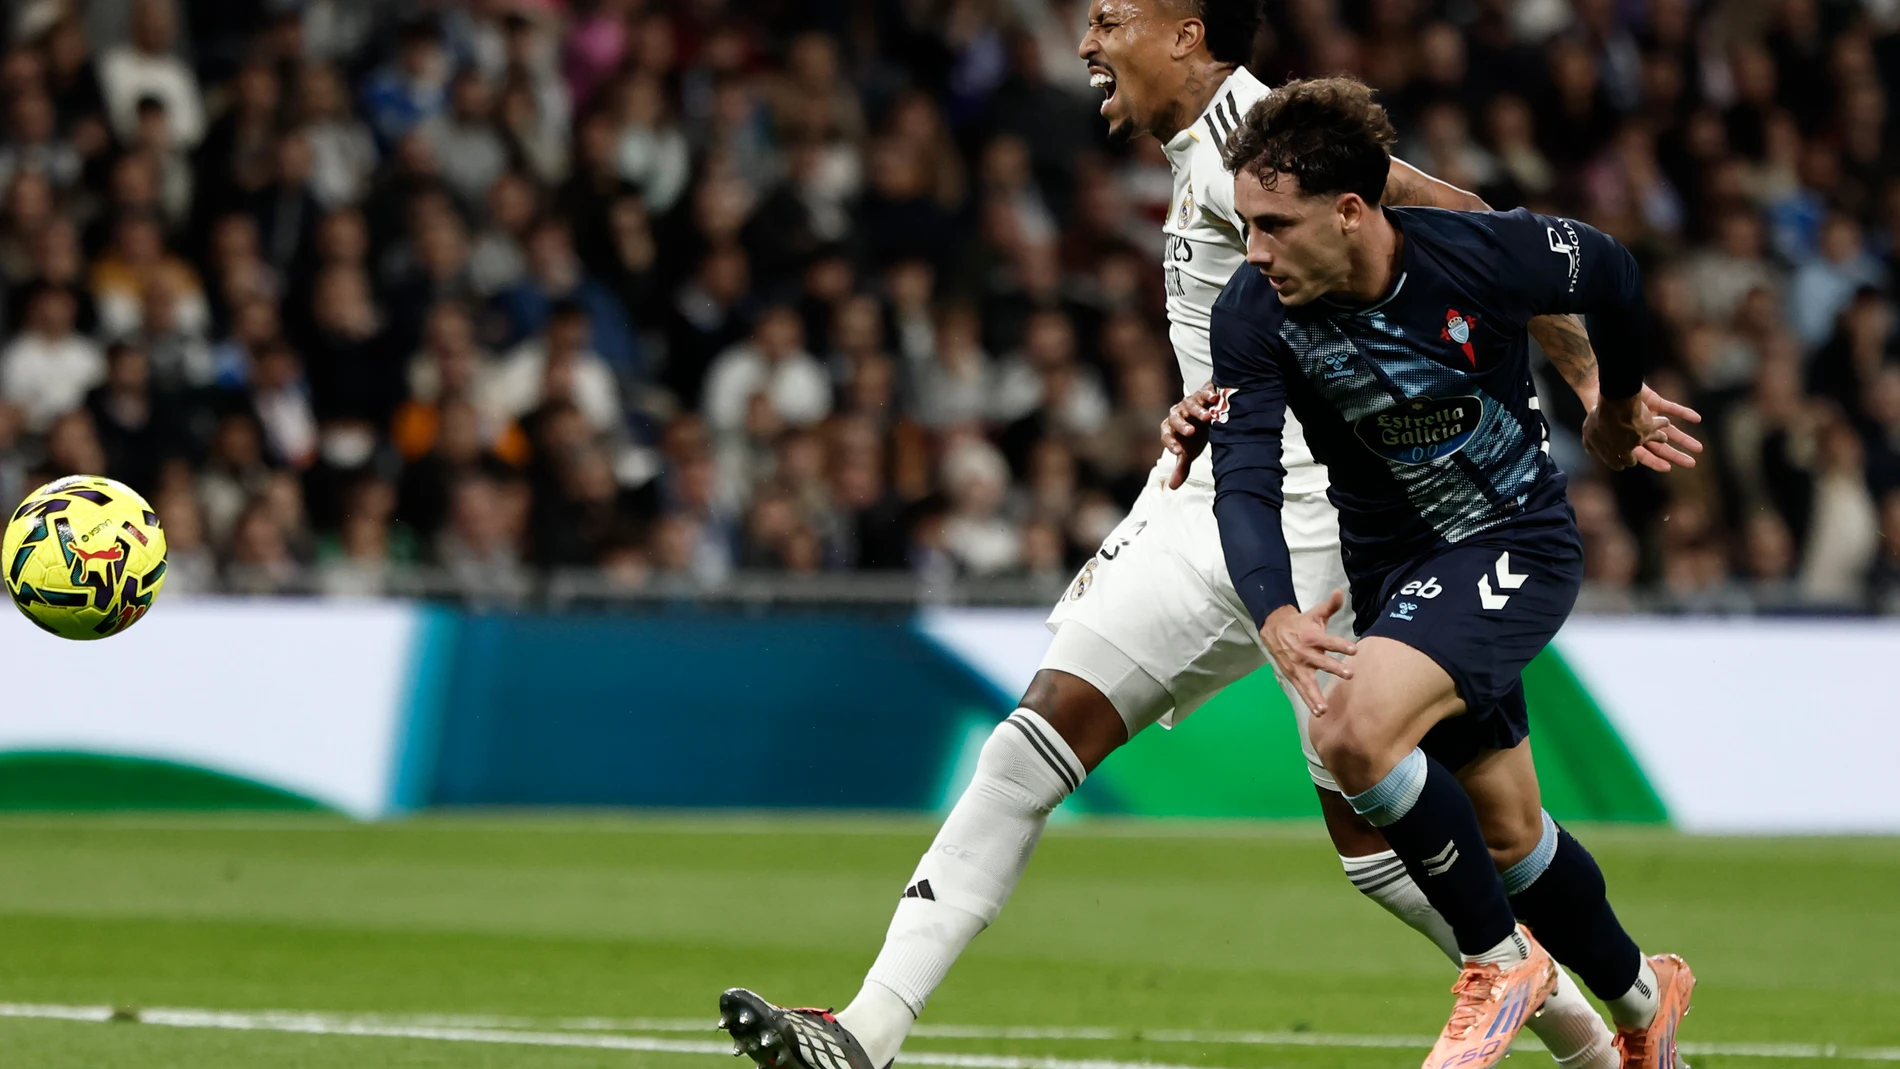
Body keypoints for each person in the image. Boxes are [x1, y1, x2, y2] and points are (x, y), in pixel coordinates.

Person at [715, 5, 1696, 1069]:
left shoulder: (1261, 137)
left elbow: (1466, 227)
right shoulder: (1199, 160)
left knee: (1399, 844)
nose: (1086, 42)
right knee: (1029, 742)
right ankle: (863, 1032)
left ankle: (1593, 1039)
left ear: (1185, 34)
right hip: (1208, 499)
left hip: (1339, 521)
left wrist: (1593, 380)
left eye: (1109, 18)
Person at [1201, 78, 1694, 1068]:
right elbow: (1243, 476)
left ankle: (1497, 962)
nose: (1252, 250)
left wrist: (1612, 401)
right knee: (1509, 837)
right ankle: (1646, 999)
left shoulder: (1479, 256)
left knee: (1351, 734)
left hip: (1513, 541)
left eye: (1272, 225)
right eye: (1244, 224)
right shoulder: (1254, 311)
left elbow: (1612, 272)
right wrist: (1273, 609)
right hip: (1395, 573)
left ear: (1349, 212)